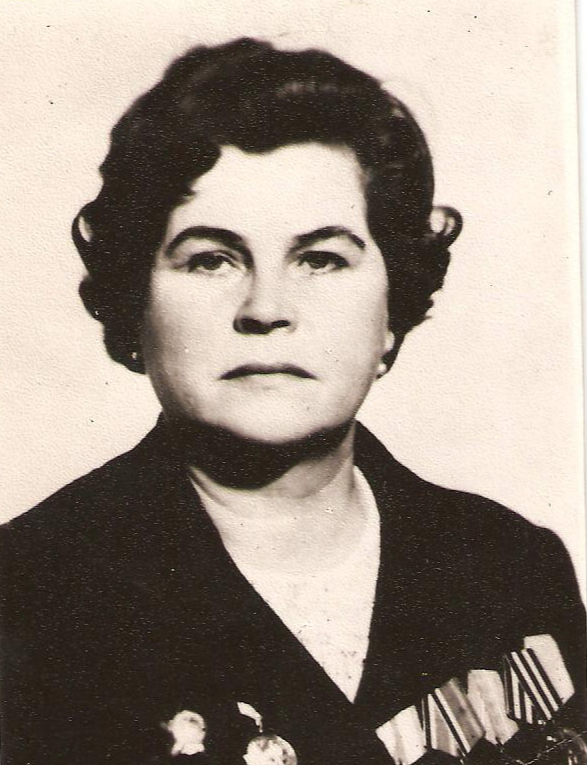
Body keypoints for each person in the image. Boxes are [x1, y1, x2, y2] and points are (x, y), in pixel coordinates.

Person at [0, 38, 584, 765]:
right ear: (134, 304)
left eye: (321, 258)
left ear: (392, 307)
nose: (266, 308)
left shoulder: (509, 564)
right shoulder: (26, 594)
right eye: (211, 259)